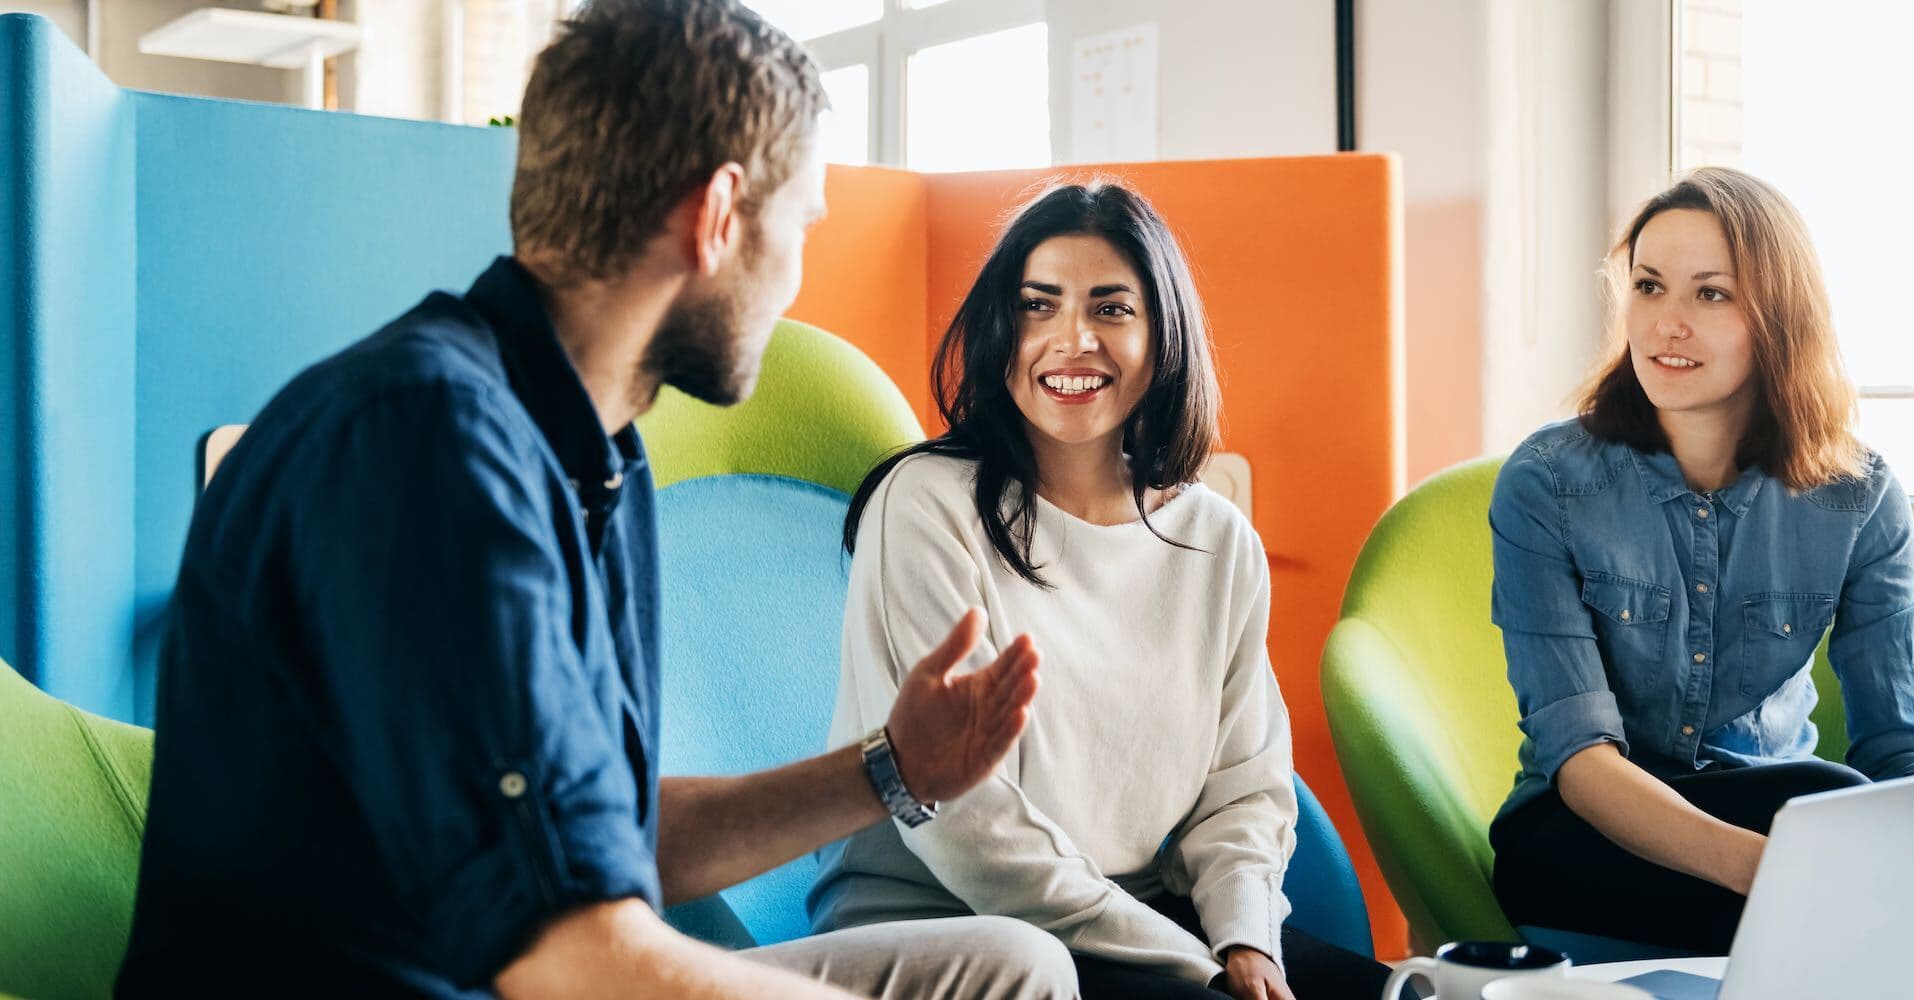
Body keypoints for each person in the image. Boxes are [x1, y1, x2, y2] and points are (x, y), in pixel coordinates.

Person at [115, 2, 1076, 997]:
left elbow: (597, 845)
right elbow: (576, 960)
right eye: (798, 226)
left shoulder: (586, 454)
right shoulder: (428, 445)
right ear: (715, 216)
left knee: (1006, 967)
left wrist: (890, 770)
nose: (795, 275)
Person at [807, 181, 1396, 1000]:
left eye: (1111, 309)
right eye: (1037, 306)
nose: (1071, 339)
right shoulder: (925, 504)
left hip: (1141, 916)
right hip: (953, 929)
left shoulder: (1215, 538)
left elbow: (1244, 789)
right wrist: (1192, 963)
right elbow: (968, 828)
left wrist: (1246, 944)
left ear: (1163, 338)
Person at [1487, 166, 1914, 955]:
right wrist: (1768, 871)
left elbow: (1902, 744)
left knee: (1831, 802)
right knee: (1827, 816)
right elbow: (1579, 759)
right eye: (1649, 287)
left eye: (1709, 294)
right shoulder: (1547, 484)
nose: (1665, 324)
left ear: (1780, 317)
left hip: (1779, 811)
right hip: (1586, 836)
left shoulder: (1858, 497)